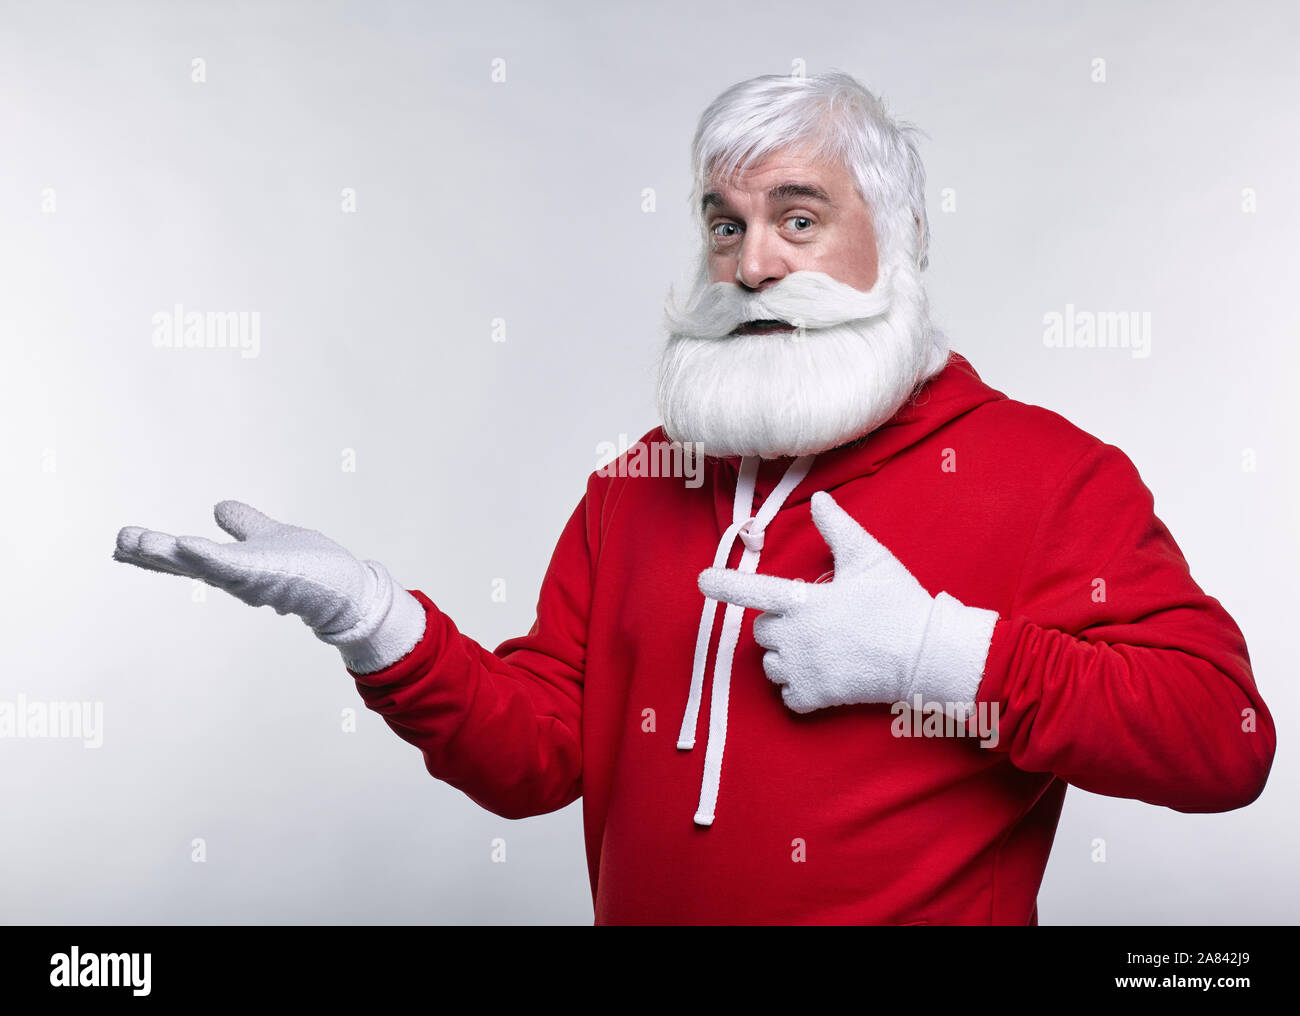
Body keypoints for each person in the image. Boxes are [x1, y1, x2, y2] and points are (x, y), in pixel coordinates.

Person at [113, 70, 1275, 925]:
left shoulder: (1048, 473)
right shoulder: (641, 482)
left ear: (904, 242)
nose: (750, 263)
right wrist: (375, 619)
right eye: (725, 224)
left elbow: (1223, 741)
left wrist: (936, 651)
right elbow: (535, 761)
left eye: (798, 218)